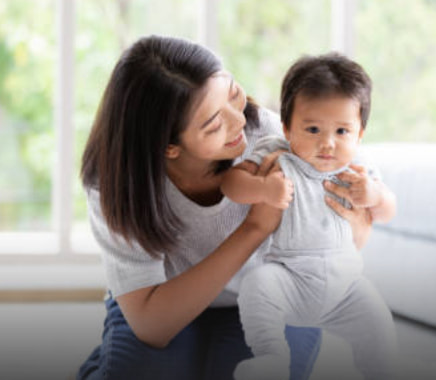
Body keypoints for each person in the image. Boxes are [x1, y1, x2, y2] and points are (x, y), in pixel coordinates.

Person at [77, 36, 374, 380]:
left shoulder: (276, 137)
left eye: (234, 95)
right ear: (169, 147)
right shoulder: (116, 182)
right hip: (164, 300)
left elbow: (349, 235)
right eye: (215, 124)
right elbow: (151, 324)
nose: (239, 122)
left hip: (270, 297)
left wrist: (358, 220)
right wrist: (255, 227)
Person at [222, 53, 398, 380]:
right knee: (257, 286)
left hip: (345, 286)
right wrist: (262, 189)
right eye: (313, 129)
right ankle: (271, 358)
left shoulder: (358, 167)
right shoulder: (278, 155)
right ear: (287, 128)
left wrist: (374, 195)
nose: (327, 144)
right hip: (289, 277)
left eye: (343, 131)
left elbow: (388, 210)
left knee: (377, 322)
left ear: (360, 133)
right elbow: (231, 183)